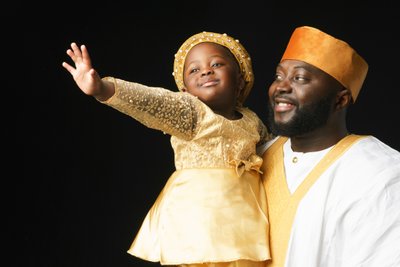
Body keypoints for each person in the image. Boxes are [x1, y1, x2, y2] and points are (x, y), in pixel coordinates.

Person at [62, 31, 272, 267]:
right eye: (194, 70)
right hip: (198, 221)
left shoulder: (252, 121)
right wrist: (102, 88)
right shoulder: (191, 112)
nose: (205, 71)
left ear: (240, 79)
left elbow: (274, 154)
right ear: (185, 91)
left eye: (217, 64)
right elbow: (150, 100)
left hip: (242, 221)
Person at [259, 25, 400, 267]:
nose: (281, 87)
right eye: (279, 76)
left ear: (341, 99)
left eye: (300, 78)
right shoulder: (255, 156)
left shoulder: (380, 174)